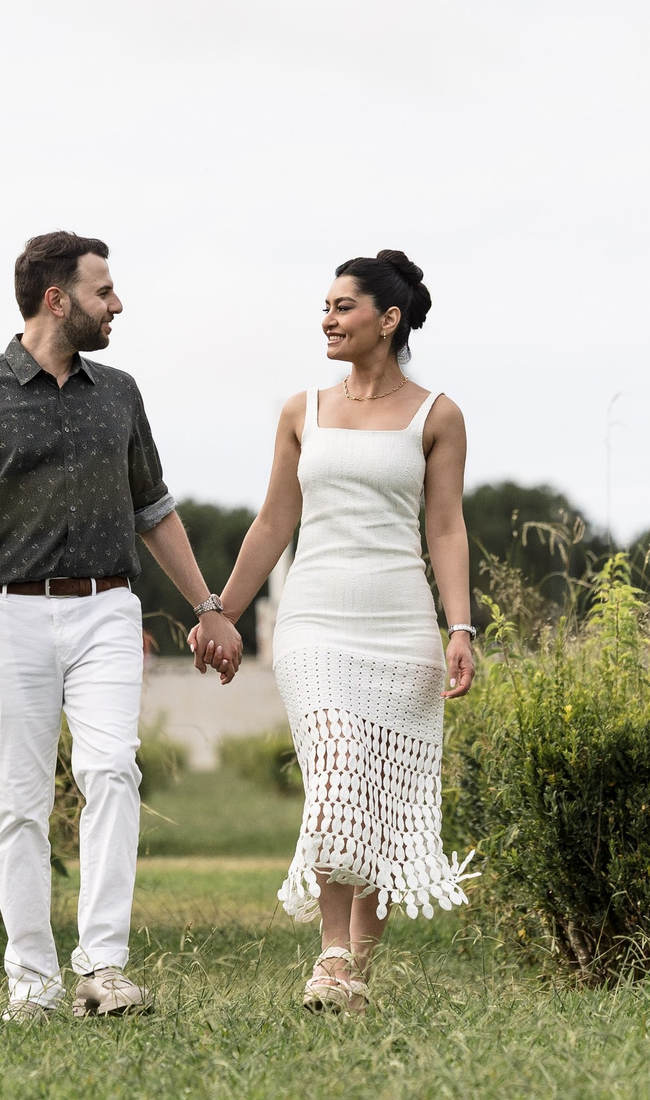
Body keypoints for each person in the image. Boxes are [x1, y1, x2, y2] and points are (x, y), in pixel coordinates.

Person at [0, 231, 245, 1024]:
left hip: (107, 608)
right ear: (58, 300)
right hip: (4, 612)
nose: (117, 304)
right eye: (103, 291)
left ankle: (103, 968)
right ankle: (31, 984)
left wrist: (209, 607)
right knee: (19, 799)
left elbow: (154, 508)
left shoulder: (119, 393)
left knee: (112, 769)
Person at [200, 250, 475, 1015]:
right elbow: (273, 522)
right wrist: (221, 608)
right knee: (337, 772)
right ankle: (330, 950)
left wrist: (460, 625)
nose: (327, 318)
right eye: (324, 305)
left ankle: (353, 969)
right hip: (314, 621)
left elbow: (446, 527)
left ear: (388, 319)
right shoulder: (303, 410)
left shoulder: (437, 415)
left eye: (342, 305)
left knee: (381, 798)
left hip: (402, 624)